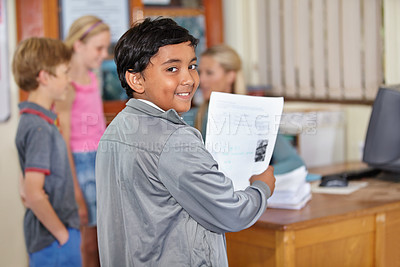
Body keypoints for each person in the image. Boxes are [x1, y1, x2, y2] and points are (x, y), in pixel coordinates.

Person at [95, 17, 276, 266]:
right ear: (136, 79)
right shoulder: (175, 139)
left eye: (192, 66)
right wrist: (261, 188)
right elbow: (232, 213)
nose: (189, 79)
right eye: (172, 69)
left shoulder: (115, 129)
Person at [183, 44, 305, 175]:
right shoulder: (188, 119)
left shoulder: (255, 117)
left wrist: (256, 178)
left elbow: (294, 162)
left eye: (209, 73)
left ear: (230, 76)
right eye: (200, 72)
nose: (201, 80)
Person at [13, 37, 81, 266]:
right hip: (54, 242)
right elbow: (32, 193)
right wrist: (63, 235)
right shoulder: (39, 126)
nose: (69, 80)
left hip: (54, 239)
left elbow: (25, 185)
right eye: (64, 73)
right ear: (44, 77)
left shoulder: (36, 120)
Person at [54, 15, 110, 267]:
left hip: (99, 161)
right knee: (87, 243)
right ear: (78, 45)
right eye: (99, 48)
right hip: (79, 166)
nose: (104, 54)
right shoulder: (68, 87)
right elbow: (63, 140)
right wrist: (75, 191)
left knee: (102, 239)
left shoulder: (93, 78)